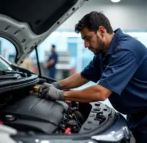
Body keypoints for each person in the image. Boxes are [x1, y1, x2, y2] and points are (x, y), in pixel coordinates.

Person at [39, 11, 147, 142]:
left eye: (88, 38)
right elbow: (83, 76)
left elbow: (101, 93)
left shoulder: (125, 50)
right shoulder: (103, 53)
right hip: (135, 116)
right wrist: (55, 85)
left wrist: (61, 94)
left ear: (101, 30)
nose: (86, 45)